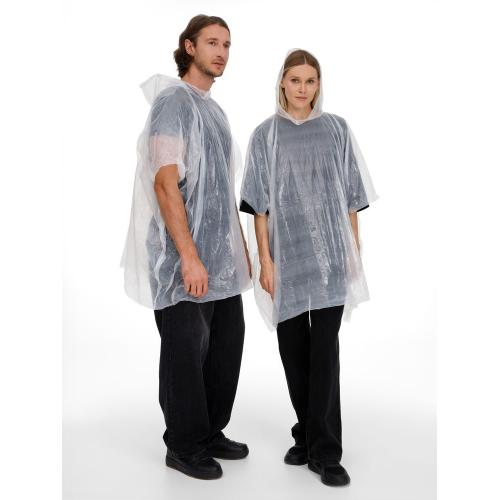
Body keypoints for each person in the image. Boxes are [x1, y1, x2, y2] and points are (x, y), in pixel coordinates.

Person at [121, 15, 252, 480]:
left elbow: (220, 188)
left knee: (226, 343)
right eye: (212, 42)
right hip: (181, 256)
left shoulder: (214, 112)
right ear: (189, 47)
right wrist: (189, 256)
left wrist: (239, 249)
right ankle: (183, 444)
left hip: (221, 259)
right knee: (185, 349)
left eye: (227, 45)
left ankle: (210, 430)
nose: (221, 52)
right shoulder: (173, 103)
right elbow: (165, 182)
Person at [239, 49, 378, 487]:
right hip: (288, 261)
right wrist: (266, 261)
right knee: (294, 352)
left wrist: (353, 251)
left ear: (319, 85)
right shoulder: (265, 135)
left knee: (324, 354)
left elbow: (352, 196)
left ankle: (327, 452)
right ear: (282, 82)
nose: (303, 89)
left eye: (311, 81)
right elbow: (258, 206)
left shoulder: (336, 129)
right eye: (295, 80)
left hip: (332, 258)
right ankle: (306, 433)